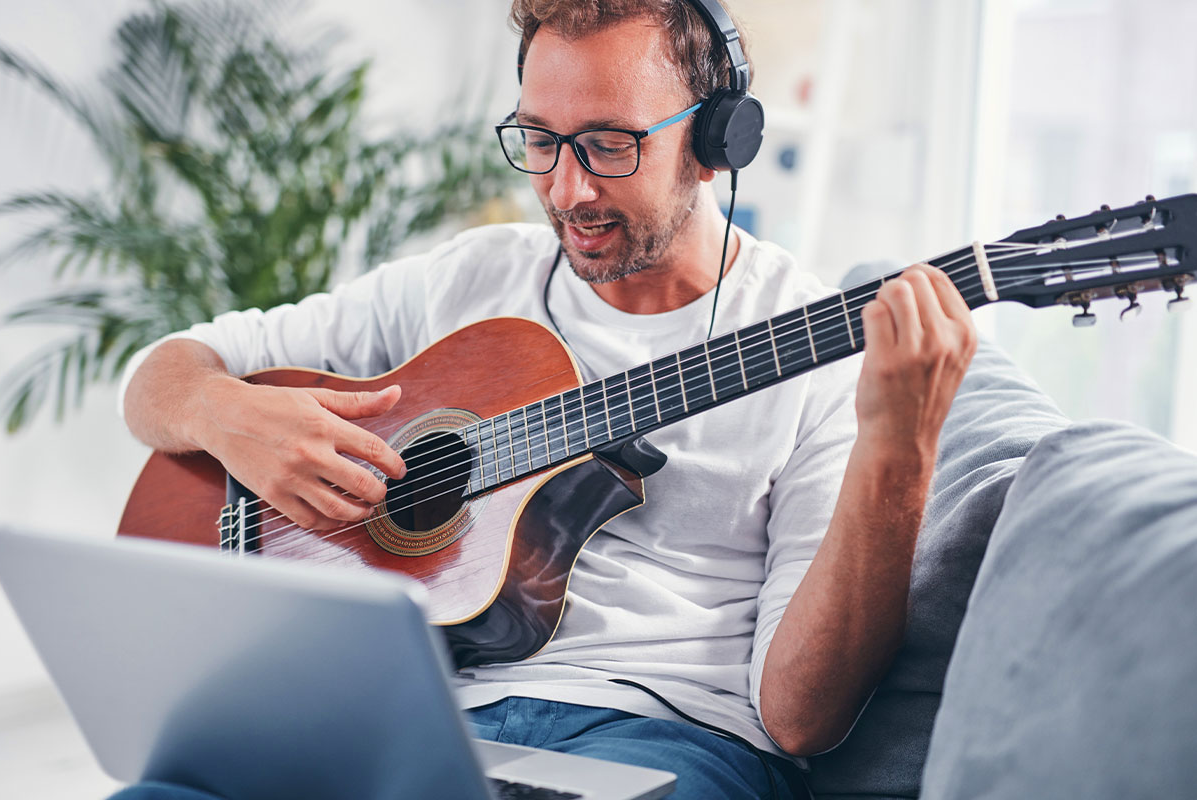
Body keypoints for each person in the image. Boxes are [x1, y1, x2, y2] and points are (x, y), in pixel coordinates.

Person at [111, 1, 977, 798]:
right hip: (423, 716)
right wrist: (232, 419)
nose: (567, 191)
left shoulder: (813, 349)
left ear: (717, 140)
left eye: (609, 145)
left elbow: (802, 718)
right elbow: (162, 374)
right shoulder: (473, 279)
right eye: (537, 139)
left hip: (665, 743)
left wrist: (899, 447)